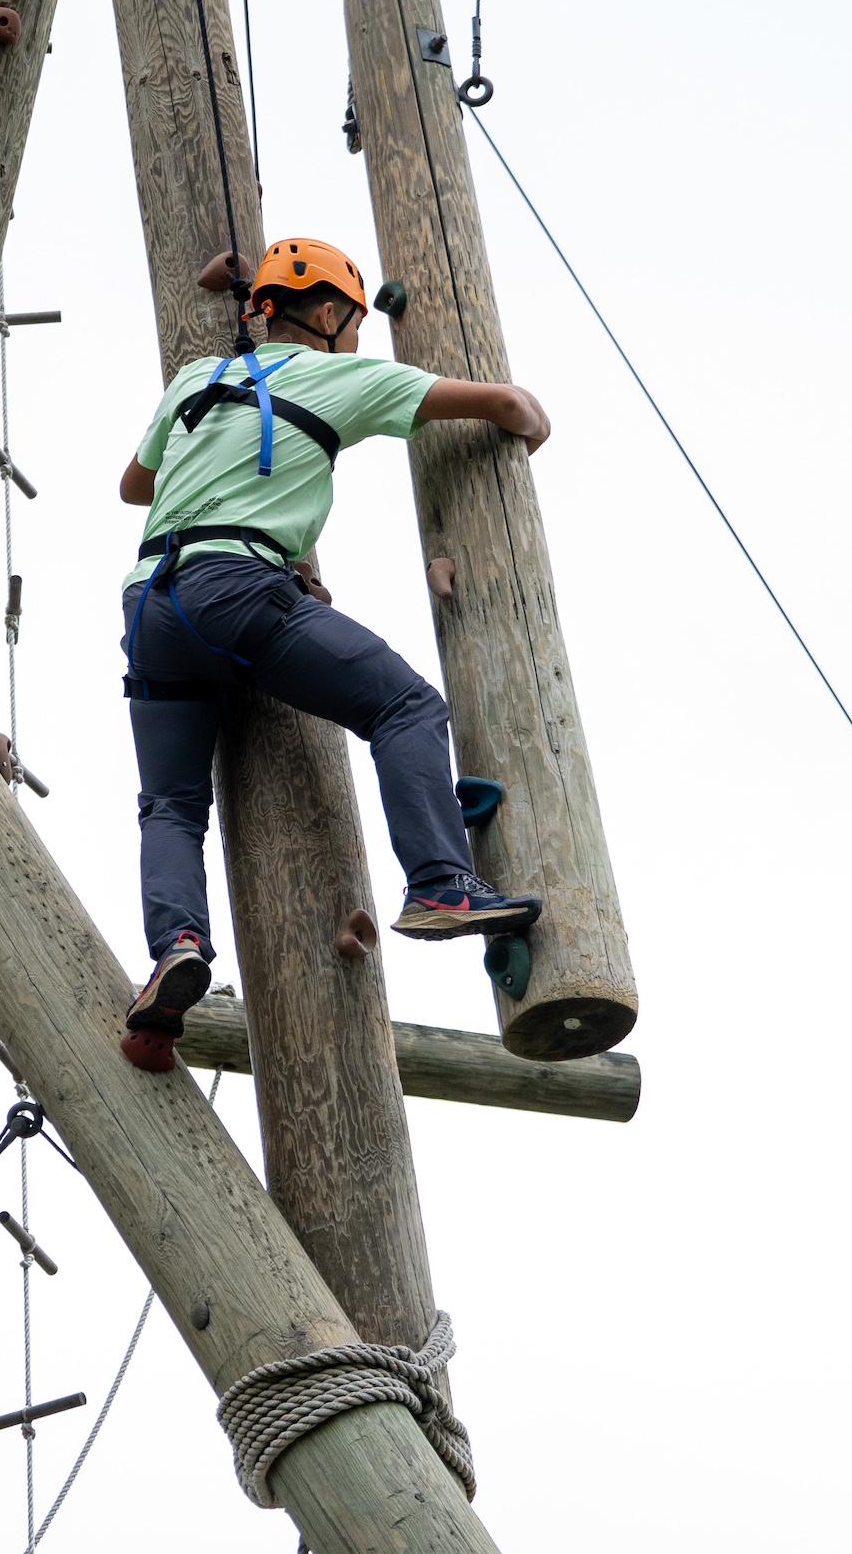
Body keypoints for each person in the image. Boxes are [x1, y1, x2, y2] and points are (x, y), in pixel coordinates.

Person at [116, 237, 552, 1070]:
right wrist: (531, 423)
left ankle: (176, 945)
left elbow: (134, 487)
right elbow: (503, 404)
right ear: (326, 314)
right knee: (404, 705)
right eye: (351, 325)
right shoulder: (341, 377)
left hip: (152, 605)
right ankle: (439, 884)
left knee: (171, 805)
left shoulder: (195, 384)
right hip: (239, 588)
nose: (355, 340)